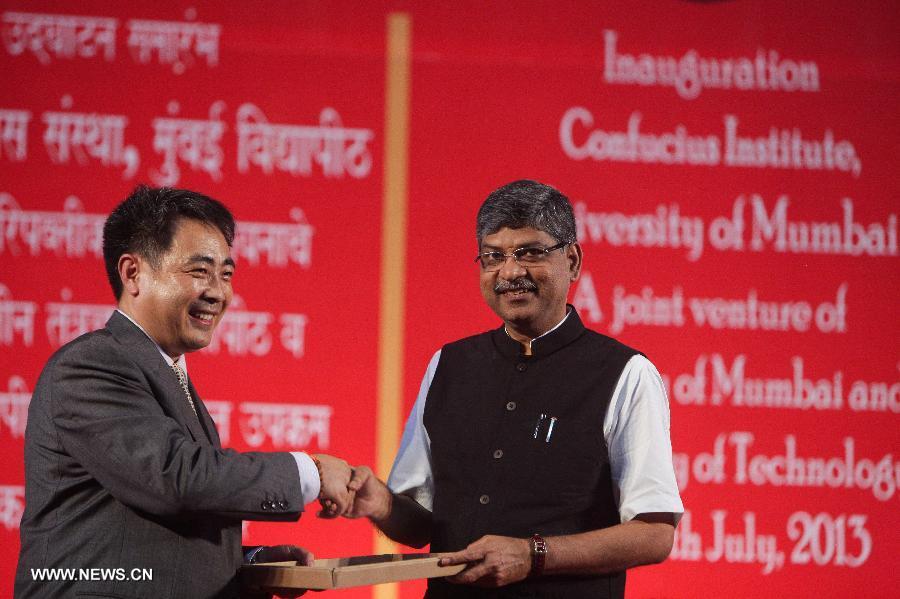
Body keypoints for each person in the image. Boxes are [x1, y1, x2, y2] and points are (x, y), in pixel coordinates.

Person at [14, 186, 358, 599]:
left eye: (226, 274)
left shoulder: (164, 372)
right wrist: (311, 473)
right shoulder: (91, 365)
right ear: (133, 273)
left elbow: (145, 534)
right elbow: (176, 478)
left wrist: (248, 563)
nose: (218, 292)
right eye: (199, 271)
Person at [347, 180, 683, 598]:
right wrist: (379, 503)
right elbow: (422, 527)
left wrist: (533, 554)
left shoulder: (626, 374)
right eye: (494, 256)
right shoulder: (449, 365)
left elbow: (654, 534)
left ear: (573, 261)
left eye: (530, 252)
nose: (510, 272)